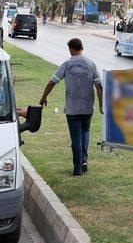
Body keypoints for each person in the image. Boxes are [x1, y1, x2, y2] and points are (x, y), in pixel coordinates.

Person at [39, 38, 103, 176]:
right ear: (82, 48)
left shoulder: (67, 64)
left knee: (76, 137)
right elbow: (99, 86)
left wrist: (43, 97)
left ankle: (77, 168)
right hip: (87, 108)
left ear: (71, 49)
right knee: (85, 132)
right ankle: (84, 160)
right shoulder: (91, 64)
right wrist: (101, 105)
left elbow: (52, 82)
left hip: (72, 108)